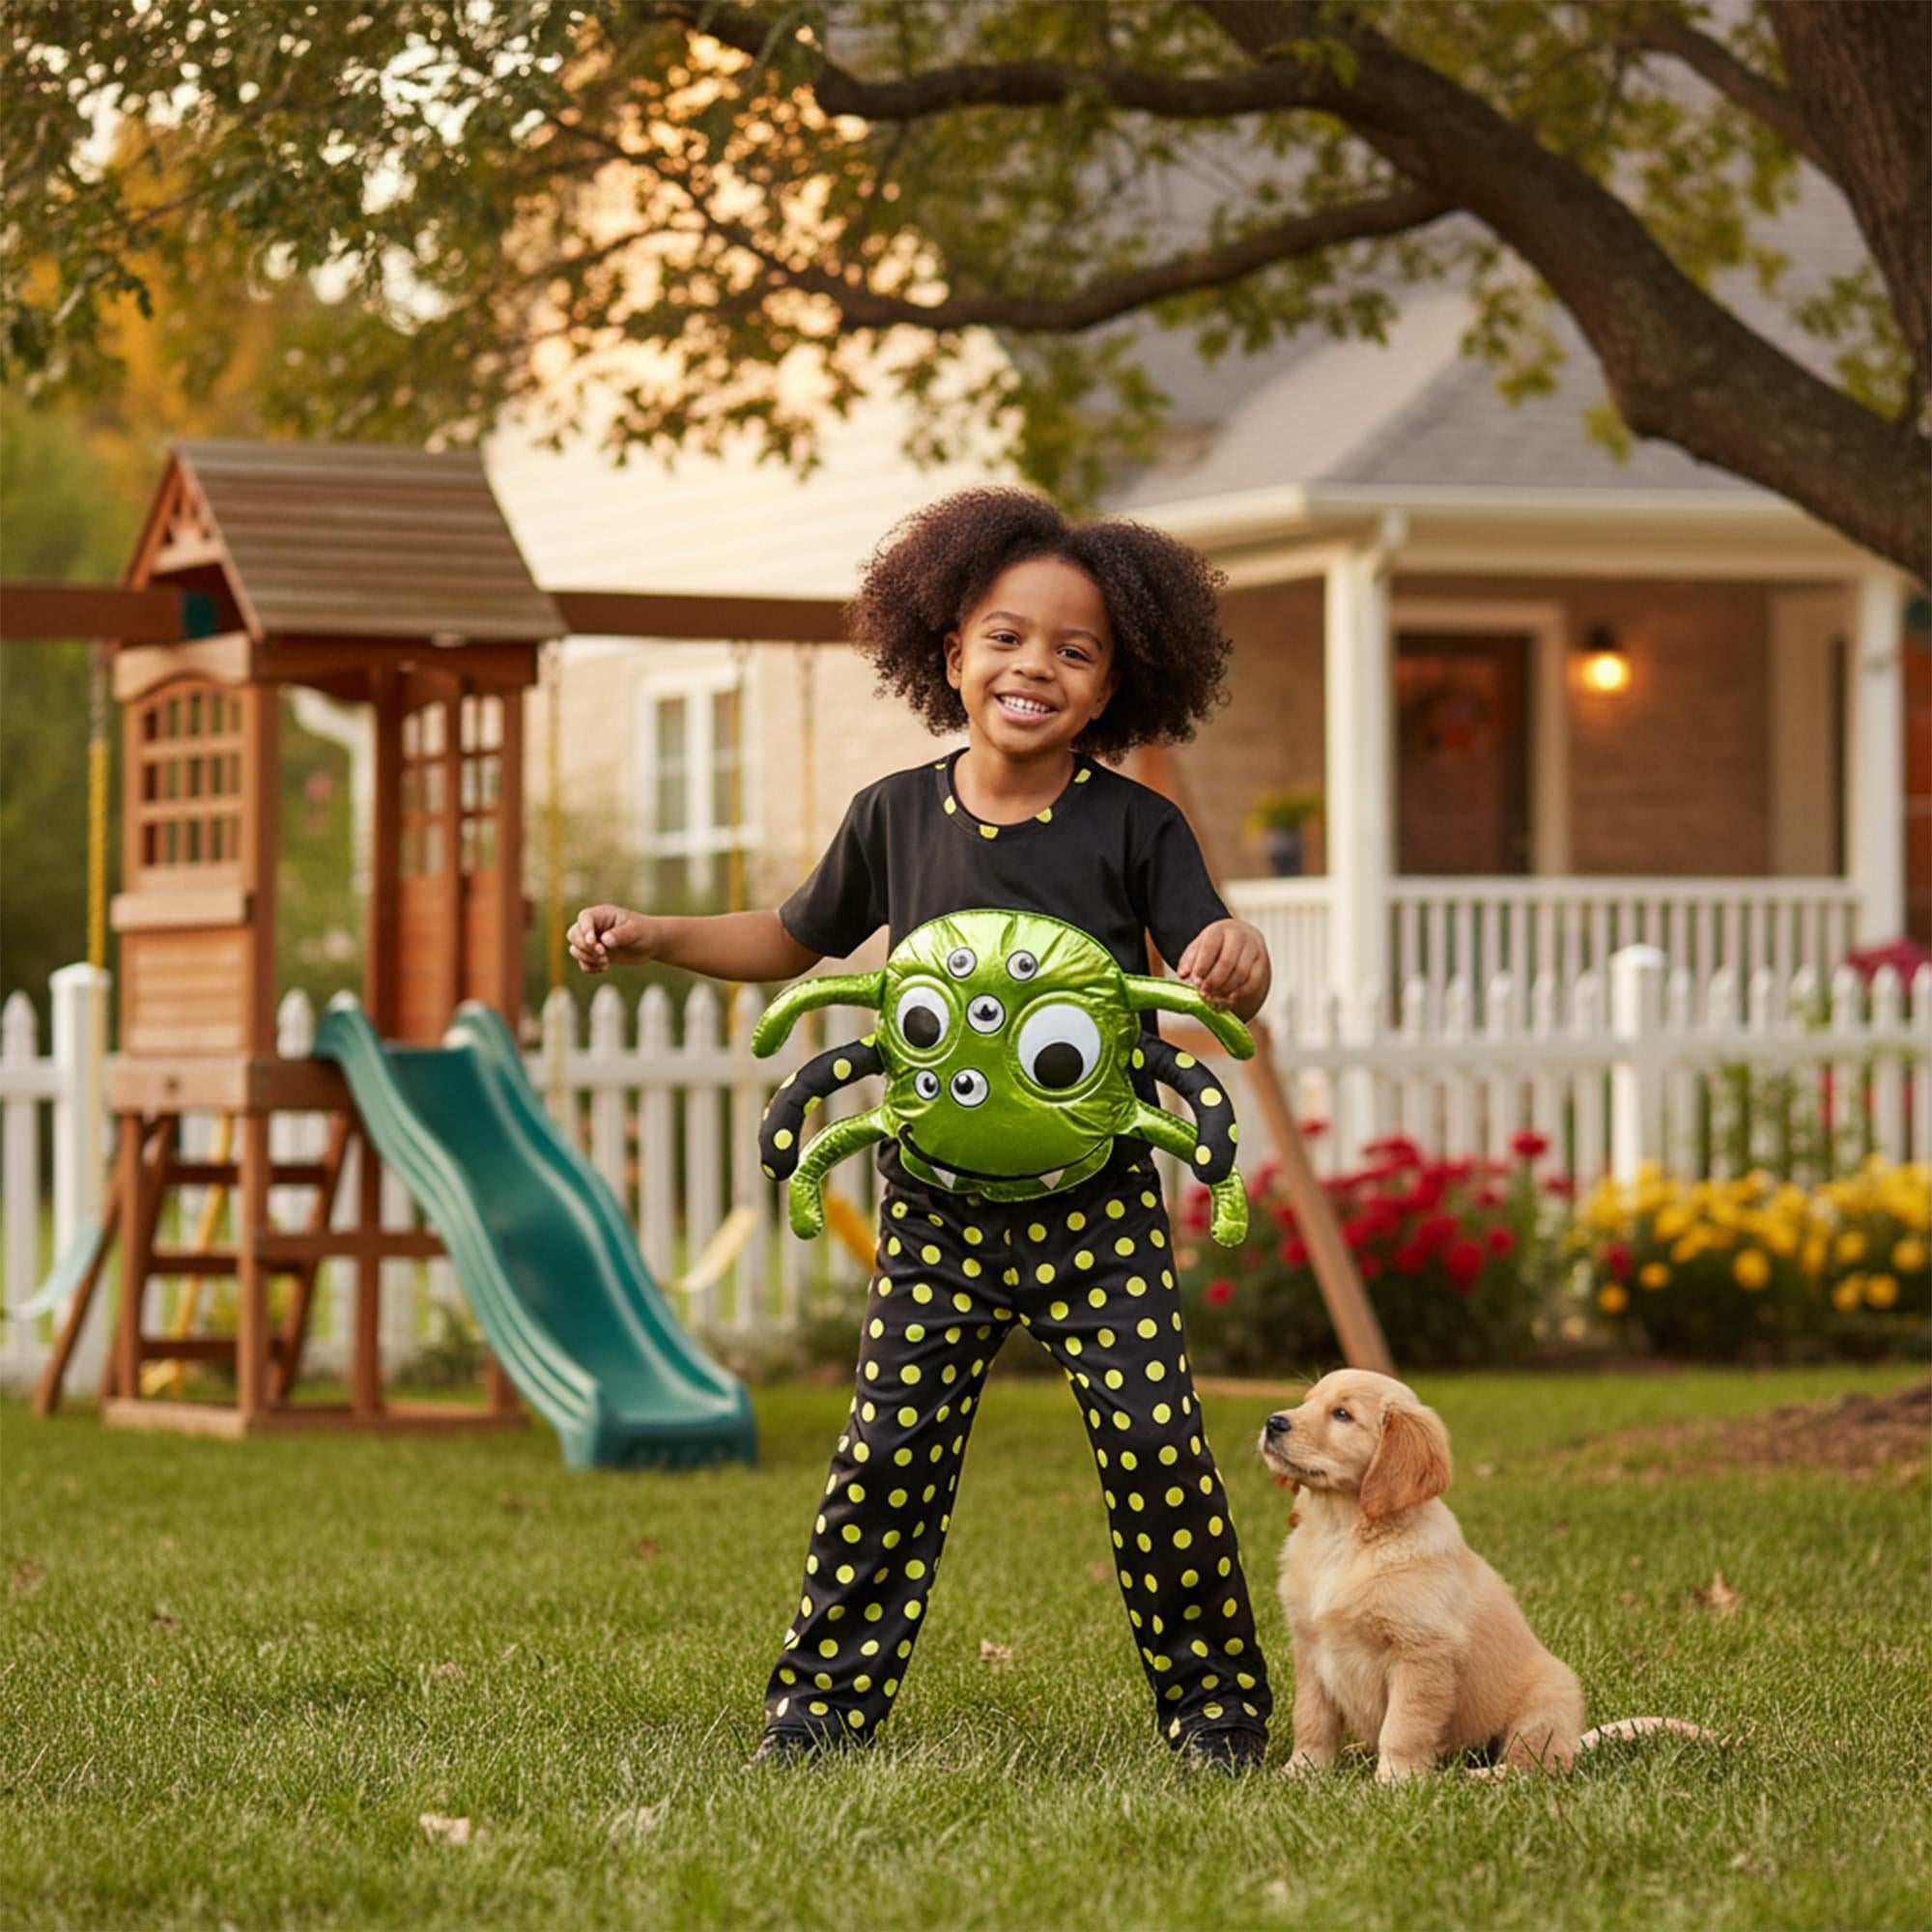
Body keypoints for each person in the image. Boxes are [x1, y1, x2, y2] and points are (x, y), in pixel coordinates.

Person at [567, 487, 1276, 1771]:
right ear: (948, 651)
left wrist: (1238, 951)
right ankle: (820, 1710)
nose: (1035, 667)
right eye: (1007, 637)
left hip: (1097, 1206)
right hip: (937, 1208)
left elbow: (1213, 954)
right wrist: (658, 932)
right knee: (886, 1458)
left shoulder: (1135, 827)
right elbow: (793, 938)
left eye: (1076, 650)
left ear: (1116, 685)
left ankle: (1216, 1710)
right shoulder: (896, 815)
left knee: (1157, 1450)